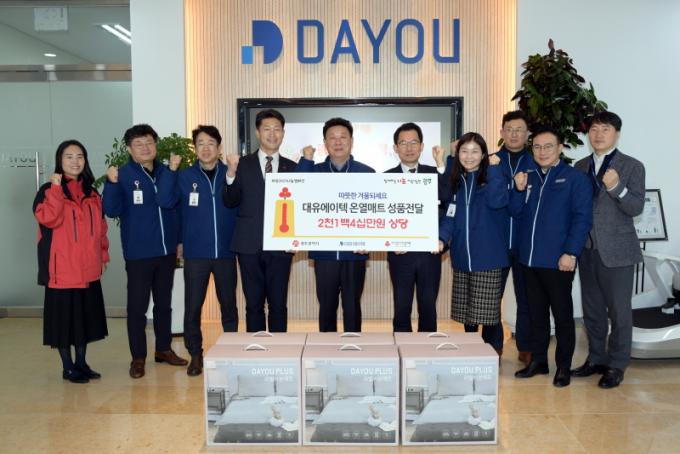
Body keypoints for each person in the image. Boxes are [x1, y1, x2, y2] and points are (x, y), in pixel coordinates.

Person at [103, 124, 187, 379]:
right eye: (138, 144)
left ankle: (163, 349)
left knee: (164, 305)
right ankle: (138, 358)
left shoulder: (168, 171)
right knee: (137, 309)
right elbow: (111, 210)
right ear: (129, 149)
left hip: (166, 251)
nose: (145, 148)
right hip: (138, 253)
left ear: (156, 144)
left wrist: (179, 241)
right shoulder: (123, 174)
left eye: (149, 142)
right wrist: (111, 183)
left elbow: (176, 208)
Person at [511, 126, 593, 387]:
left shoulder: (575, 178)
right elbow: (515, 212)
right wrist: (518, 190)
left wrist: (571, 252)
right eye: (537, 146)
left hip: (558, 260)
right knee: (536, 314)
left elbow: (582, 218)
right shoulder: (529, 177)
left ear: (560, 148)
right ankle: (538, 361)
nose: (542, 151)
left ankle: (563, 367)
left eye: (548, 146)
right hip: (528, 259)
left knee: (562, 316)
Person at [571, 111, 645, 388]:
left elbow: (635, 207)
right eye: (594, 129)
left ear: (617, 134)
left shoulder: (632, 166)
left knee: (619, 312)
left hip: (618, 251)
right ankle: (596, 359)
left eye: (605, 129)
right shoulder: (580, 166)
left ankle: (616, 365)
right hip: (587, 249)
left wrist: (617, 188)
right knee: (592, 310)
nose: (598, 134)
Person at [158, 125, 238, 376]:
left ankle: (230, 353)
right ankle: (195, 354)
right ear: (195, 148)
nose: (206, 148)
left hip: (226, 252)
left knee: (229, 306)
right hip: (196, 252)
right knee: (193, 307)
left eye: (211, 143)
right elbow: (166, 201)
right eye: (201, 143)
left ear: (219, 147)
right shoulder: (184, 176)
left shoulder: (231, 173)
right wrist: (171, 171)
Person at [33, 140, 109, 383]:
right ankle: (67, 367)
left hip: (88, 268)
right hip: (62, 270)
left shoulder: (92, 192)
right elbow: (49, 218)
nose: (75, 161)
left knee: (84, 319)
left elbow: (101, 229)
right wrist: (56, 189)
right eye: (69, 156)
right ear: (60, 160)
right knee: (63, 322)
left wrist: (103, 255)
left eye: (80, 156)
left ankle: (81, 363)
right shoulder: (48, 190)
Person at [297, 117, 375, 332]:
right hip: (324, 254)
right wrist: (306, 161)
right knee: (326, 306)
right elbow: (296, 192)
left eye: (343, 137)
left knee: (352, 307)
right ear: (325, 143)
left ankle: (353, 346)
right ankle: (325, 348)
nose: (338, 142)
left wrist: (370, 239)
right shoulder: (314, 171)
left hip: (355, 253)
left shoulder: (367, 173)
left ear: (352, 141)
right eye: (332, 138)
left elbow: (376, 213)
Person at [223, 109, 296, 332]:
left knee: (278, 305)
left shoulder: (293, 168)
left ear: (283, 133)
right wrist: (231, 173)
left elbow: (299, 209)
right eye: (267, 129)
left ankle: (279, 348)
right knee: (253, 305)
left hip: (281, 245)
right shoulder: (241, 164)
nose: (272, 134)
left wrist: (297, 238)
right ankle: (256, 347)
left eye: (277, 129)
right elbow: (230, 201)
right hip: (248, 244)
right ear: (257, 132)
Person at [438, 132, 509, 354]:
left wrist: (495, 169)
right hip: (462, 257)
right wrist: (441, 238)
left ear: (484, 154)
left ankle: (492, 355)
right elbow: (450, 215)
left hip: (488, 258)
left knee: (489, 314)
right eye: (464, 151)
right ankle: (472, 355)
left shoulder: (493, 177)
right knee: (468, 314)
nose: (469, 156)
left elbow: (498, 201)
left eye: (475, 151)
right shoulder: (457, 182)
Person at [385, 122, 444, 332]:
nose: (409, 148)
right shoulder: (385, 178)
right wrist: (391, 241)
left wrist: (441, 240)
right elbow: (380, 217)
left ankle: (427, 349)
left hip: (430, 253)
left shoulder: (436, 174)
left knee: (428, 307)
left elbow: (447, 206)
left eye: (414, 142)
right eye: (403, 143)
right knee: (401, 307)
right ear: (395, 148)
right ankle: (401, 347)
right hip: (400, 255)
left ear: (422, 146)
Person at [496, 110, 536, 366]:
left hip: (525, 242)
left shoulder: (537, 162)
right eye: (509, 129)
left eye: (519, 129)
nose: (513, 134)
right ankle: (493, 347)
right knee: (491, 298)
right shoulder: (490, 162)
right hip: (496, 242)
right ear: (501, 132)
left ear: (527, 134)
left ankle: (526, 346)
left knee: (527, 297)